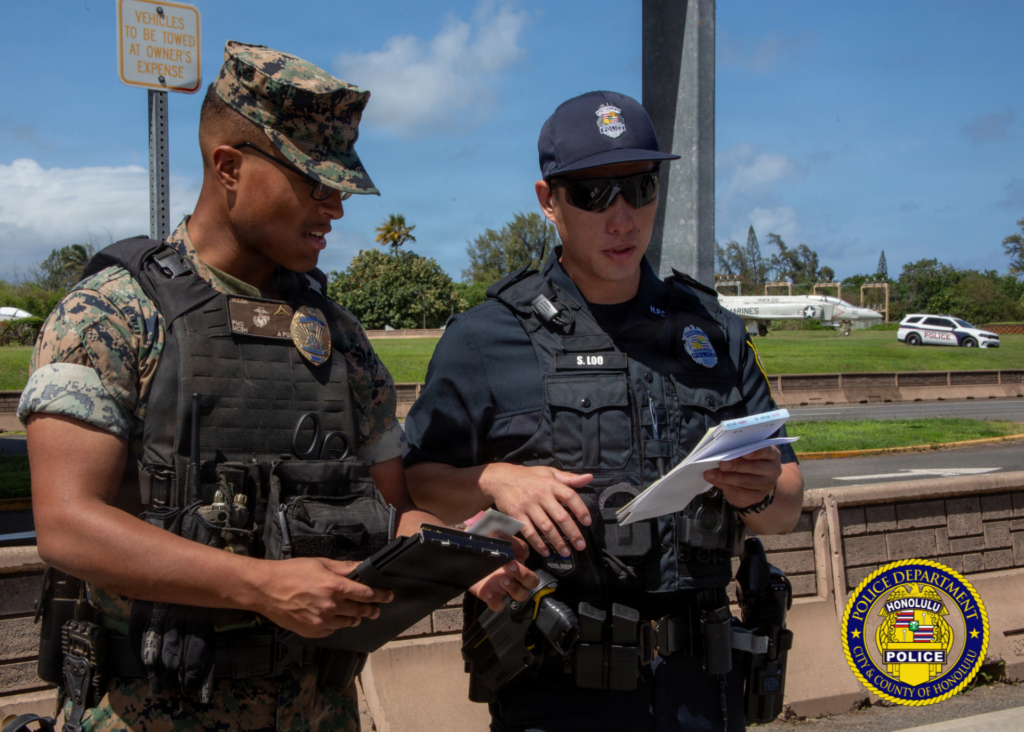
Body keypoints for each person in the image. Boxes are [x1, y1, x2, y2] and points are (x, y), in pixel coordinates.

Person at [16, 41, 534, 732]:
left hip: (317, 709)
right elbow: (65, 525)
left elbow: (392, 510)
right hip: (152, 710)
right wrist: (261, 588)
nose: (335, 210)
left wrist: (462, 559)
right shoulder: (113, 315)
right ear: (227, 167)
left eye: (341, 188)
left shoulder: (340, 340)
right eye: (314, 184)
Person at [403, 91, 805, 732]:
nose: (622, 219)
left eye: (639, 188)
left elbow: (786, 505)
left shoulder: (712, 332)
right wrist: (490, 482)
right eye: (593, 195)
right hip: (560, 690)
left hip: (703, 690)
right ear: (548, 201)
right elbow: (415, 482)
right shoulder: (486, 338)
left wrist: (759, 492)